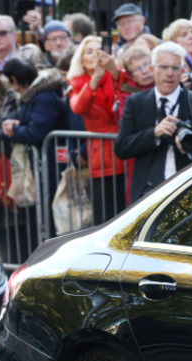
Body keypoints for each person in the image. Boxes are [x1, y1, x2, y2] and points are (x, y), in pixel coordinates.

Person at [115, 42, 192, 204]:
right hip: (147, 193)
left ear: (183, 71)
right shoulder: (136, 102)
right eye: (164, 67)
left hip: (189, 191)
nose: (170, 74)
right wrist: (154, 134)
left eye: (175, 68)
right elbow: (122, 147)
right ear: (152, 70)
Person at [67, 35, 125, 224]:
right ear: (81, 59)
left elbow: (127, 91)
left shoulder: (116, 75)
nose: (95, 55)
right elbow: (78, 108)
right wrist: (96, 78)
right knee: (104, 215)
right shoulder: (77, 83)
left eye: (99, 50)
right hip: (100, 155)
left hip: (124, 150)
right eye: (89, 51)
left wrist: (112, 70)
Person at [117, 44, 154, 206]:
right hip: (140, 154)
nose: (145, 71)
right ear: (131, 75)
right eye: (138, 69)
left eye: (147, 64)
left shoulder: (168, 85)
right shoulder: (127, 94)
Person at [1, 58, 66, 147]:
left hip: (53, 154)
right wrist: (8, 120)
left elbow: (36, 133)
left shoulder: (44, 99)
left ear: (14, 79)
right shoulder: (32, 95)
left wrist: (10, 131)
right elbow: (20, 115)